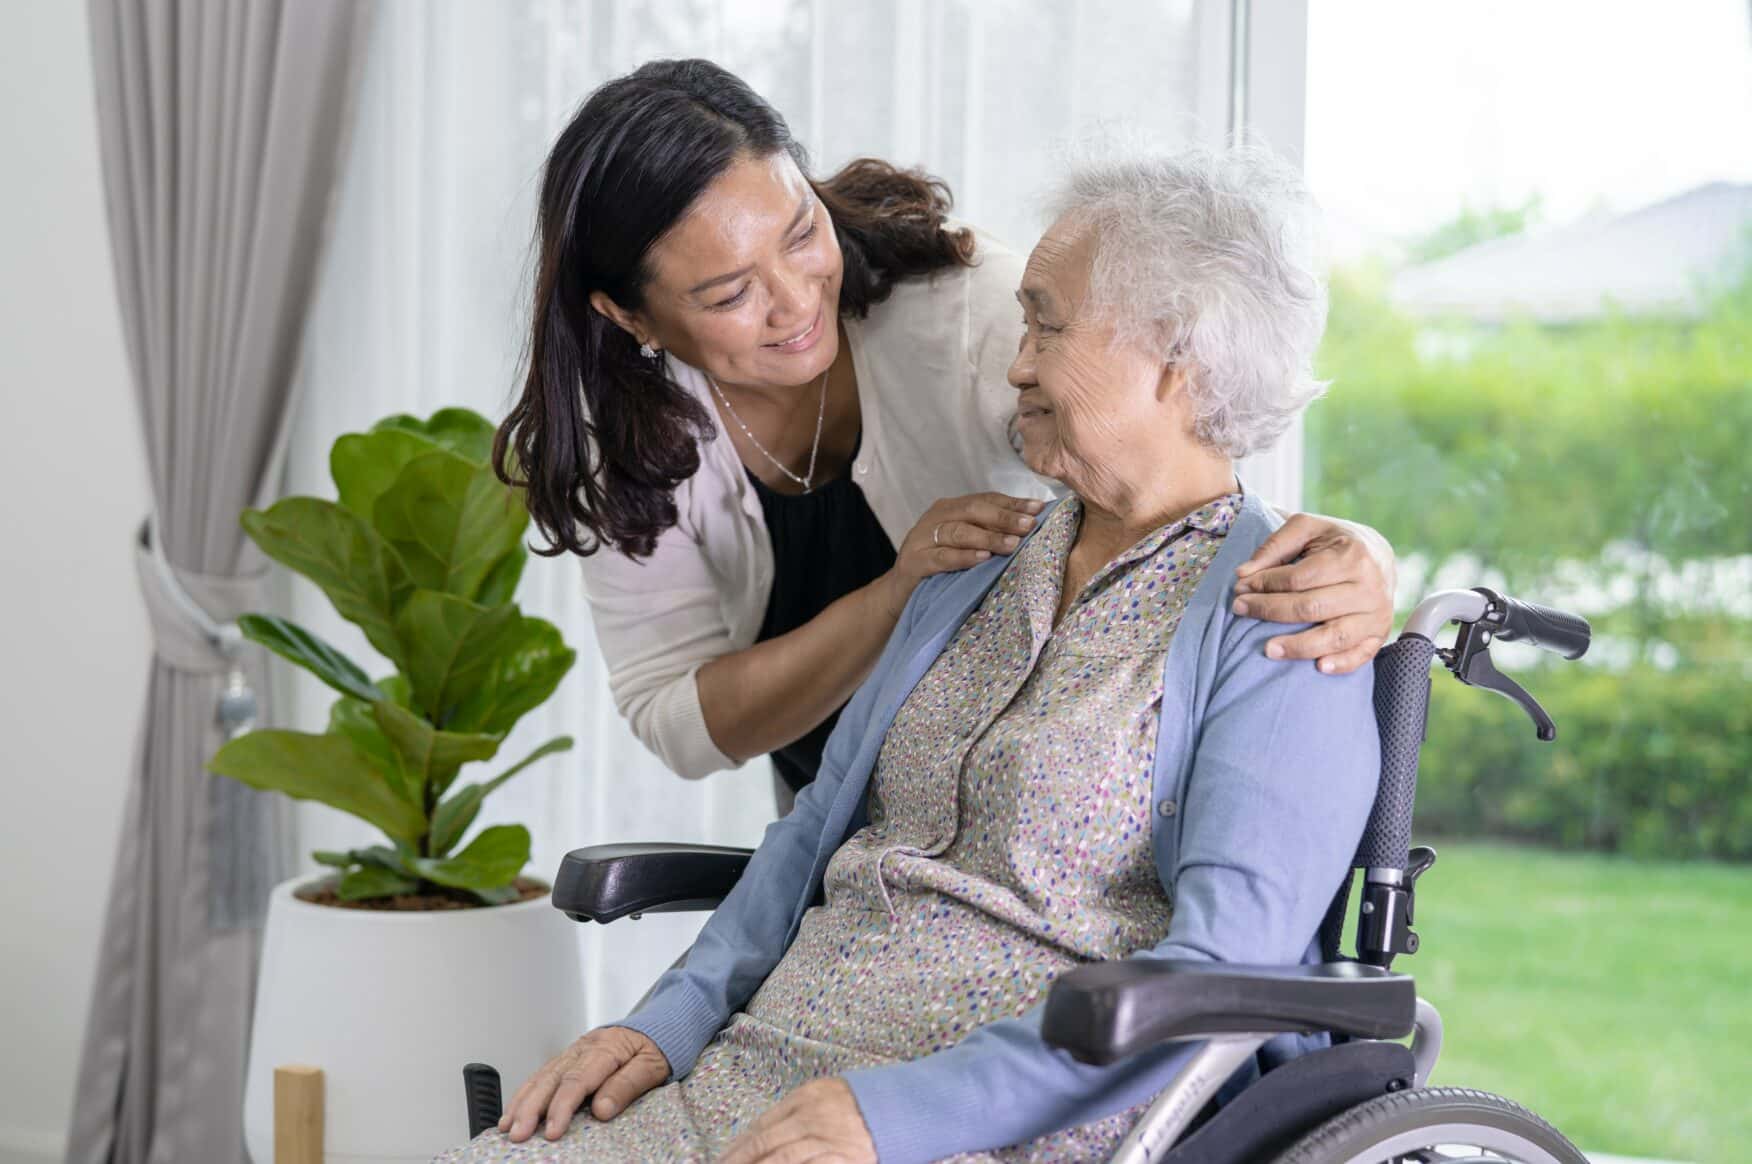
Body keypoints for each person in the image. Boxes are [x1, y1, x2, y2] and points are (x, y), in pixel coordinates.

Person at [439, 142, 1381, 1163]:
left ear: (1178, 359)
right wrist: (661, 1024)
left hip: (1009, 1114)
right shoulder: (974, 562)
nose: (1016, 360)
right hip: (770, 1068)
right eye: (1022, 320)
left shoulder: (1283, 613)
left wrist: (903, 1116)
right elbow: (807, 842)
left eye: (1048, 326)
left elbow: (1222, 966)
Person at [492, 59, 1396, 811]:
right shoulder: (619, 439)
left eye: (802, 231)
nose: (798, 299)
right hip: (849, 833)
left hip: (1026, 810)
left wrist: (1358, 555)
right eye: (730, 294)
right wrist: (896, 598)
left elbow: (1200, 456)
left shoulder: (973, 316)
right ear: (629, 316)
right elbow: (680, 722)